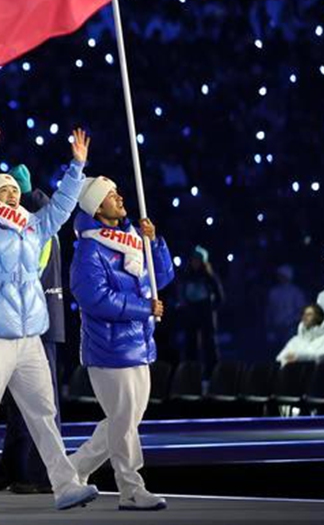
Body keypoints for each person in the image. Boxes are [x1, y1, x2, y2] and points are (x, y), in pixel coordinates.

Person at [0, 126, 98, 514]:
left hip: (31, 332)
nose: (13, 193)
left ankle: (64, 485)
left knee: (43, 414)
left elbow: (62, 208)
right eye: (4, 189)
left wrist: (77, 166)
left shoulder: (33, 226)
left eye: (15, 190)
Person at [68, 175, 174, 511]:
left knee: (123, 419)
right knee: (124, 420)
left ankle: (74, 469)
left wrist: (154, 243)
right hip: (109, 349)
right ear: (97, 207)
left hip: (139, 343)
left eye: (116, 192)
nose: (119, 198)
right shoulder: (89, 248)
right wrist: (145, 308)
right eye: (111, 195)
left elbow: (162, 277)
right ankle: (130, 488)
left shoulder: (130, 239)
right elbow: (94, 298)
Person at [0, 165, 65, 495]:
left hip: (35, 321)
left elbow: (28, 271)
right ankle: (14, 468)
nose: (8, 198)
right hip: (25, 321)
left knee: (40, 402)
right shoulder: (29, 222)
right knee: (17, 402)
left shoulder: (33, 224)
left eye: (11, 190)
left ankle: (38, 474)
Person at [173, 246, 224, 377]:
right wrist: (184, 307)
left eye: (198, 260)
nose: (195, 262)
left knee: (209, 343)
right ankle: (191, 372)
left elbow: (219, 296)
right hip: (191, 314)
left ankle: (212, 372)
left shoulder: (209, 277)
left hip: (206, 314)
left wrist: (211, 308)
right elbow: (182, 294)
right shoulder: (187, 276)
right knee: (191, 344)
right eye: (193, 259)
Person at [266, 265, 307, 348]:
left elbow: (301, 311)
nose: (280, 277)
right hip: (276, 327)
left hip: (290, 328)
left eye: (282, 275)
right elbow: (269, 309)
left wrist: (291, 323)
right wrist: (269, 327)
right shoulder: (274, 292)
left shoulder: (296, 292)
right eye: (279, 275)